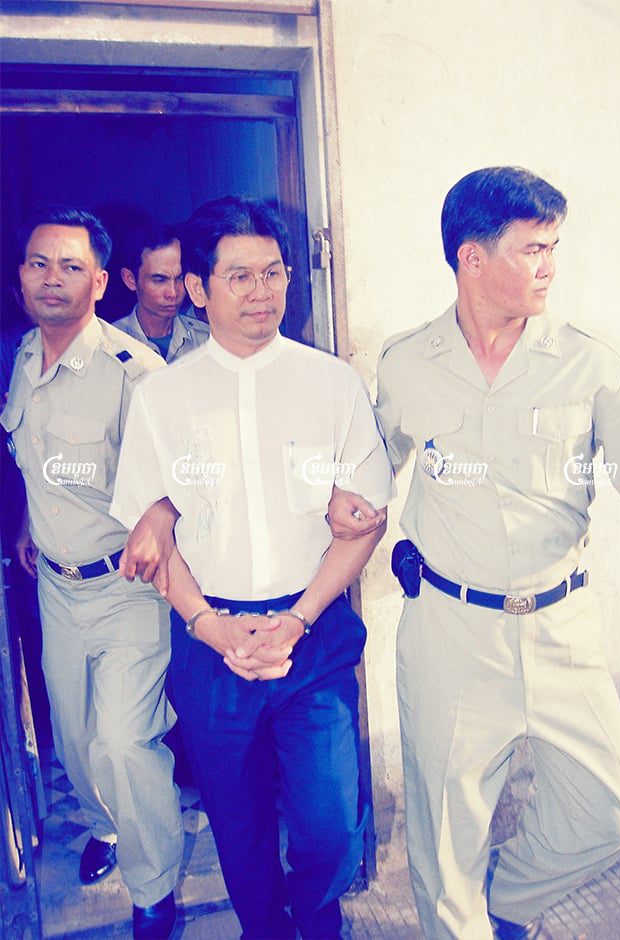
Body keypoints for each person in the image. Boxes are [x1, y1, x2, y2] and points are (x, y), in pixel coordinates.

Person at [329, 166, 620, 940]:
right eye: (533, 249)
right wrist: (348, 501)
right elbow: (376, 469)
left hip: (562, 628)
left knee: (608, 816)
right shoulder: (409, 363)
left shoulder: (594, 364)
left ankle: (506, 901)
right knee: (445, 838)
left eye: (554, 247)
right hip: (451, 631)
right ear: (471, 259)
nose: (550, 265)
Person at [110, 195, 393, 940]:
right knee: (237, 831)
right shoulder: (162, 398)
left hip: (313, 633)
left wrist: (297, 618)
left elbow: (364, 524)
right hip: (212, 645)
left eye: (273, 273)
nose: (263, 291)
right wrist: (208, 625)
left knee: (330, 821)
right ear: (199, 288)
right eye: (239, 276)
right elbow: (150, 528)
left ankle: (317, 911)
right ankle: (264, 929)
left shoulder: (332, 384)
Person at [0, 206, 184, 940]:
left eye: (71, 266)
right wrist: (24, 527)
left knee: (121, 741)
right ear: (20, 276)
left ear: (102, 281)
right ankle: (109, 821)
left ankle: (154, 886)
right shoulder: (18, 358)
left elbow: (182, 479)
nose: (52, 279)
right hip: (55, 588)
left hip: (128, 589)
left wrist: (161, 516)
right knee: (75, 745)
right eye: (39, 264)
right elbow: (33, 459)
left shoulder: (135, 374)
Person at [114, 220, 209, 361]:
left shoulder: (206, 340)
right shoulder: (110, 345)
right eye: (159, 280)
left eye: (180, 278)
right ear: (130, 279)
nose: (173, 293)